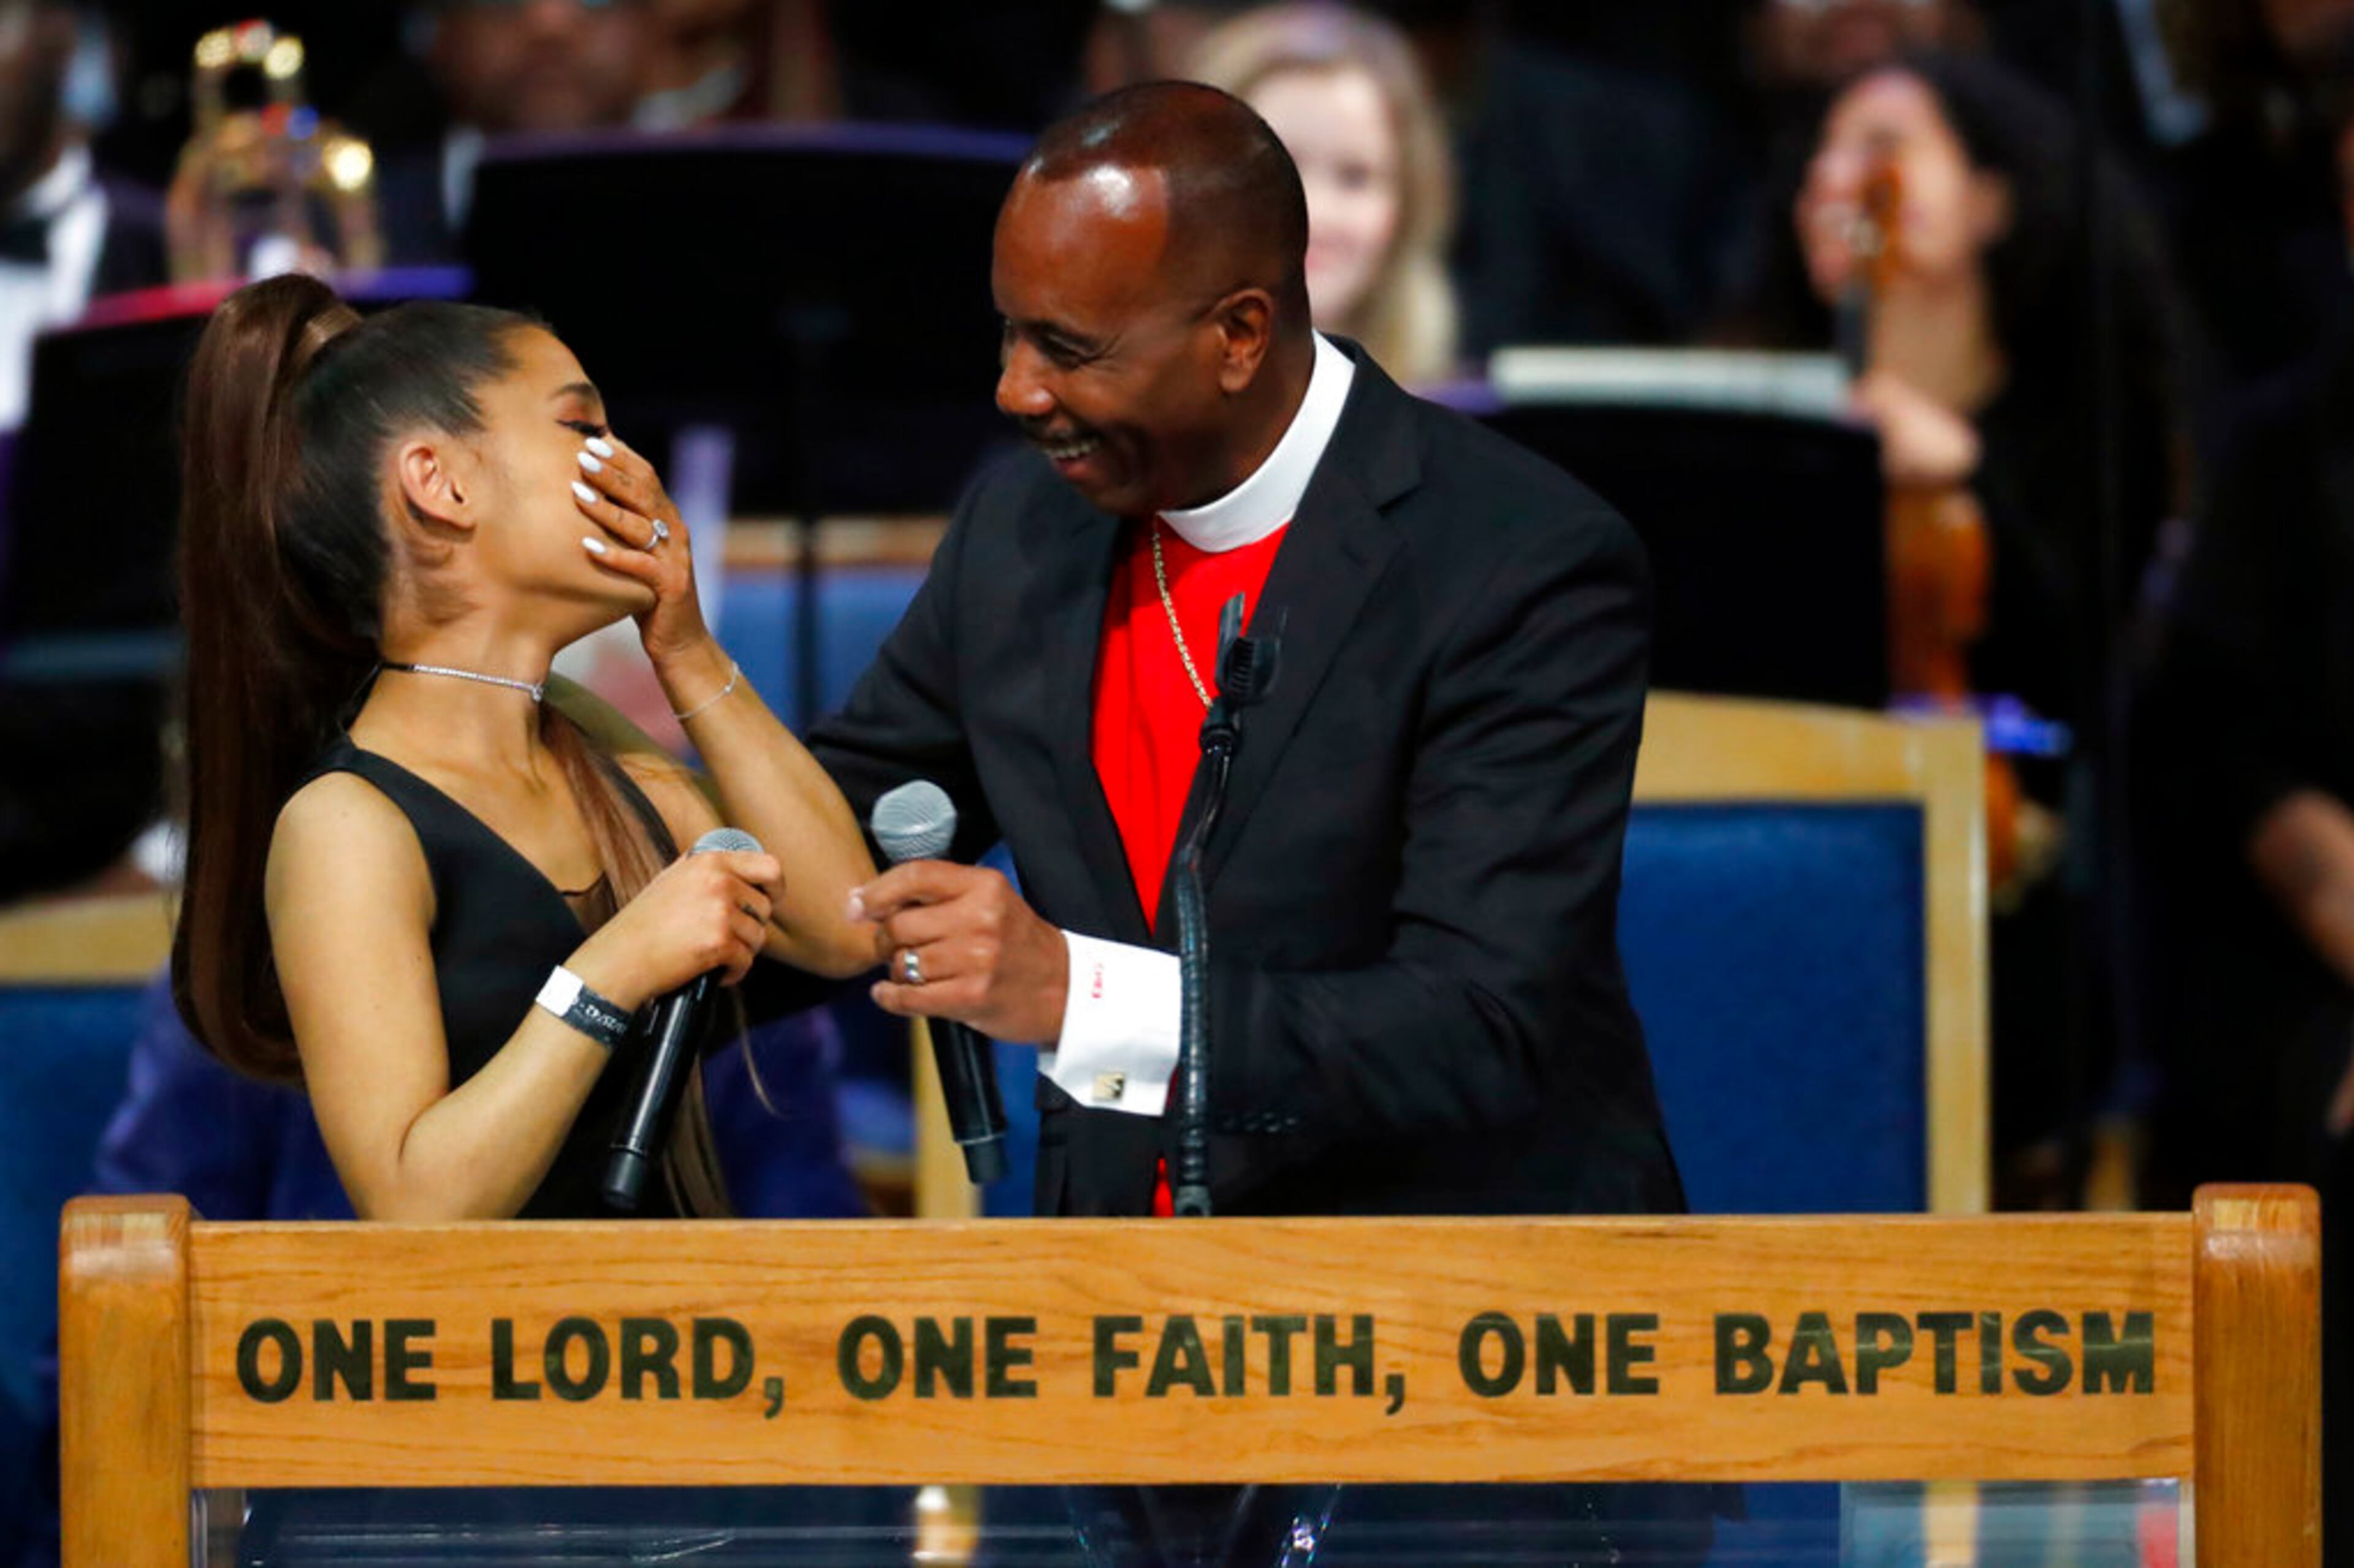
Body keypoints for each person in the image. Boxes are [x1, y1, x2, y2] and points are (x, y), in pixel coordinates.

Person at [809, 80, 1697, 1560]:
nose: (1013, 392)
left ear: (1237, 334)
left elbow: (1477, 1021)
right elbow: (853, 827)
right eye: (1007, 332)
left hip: (1460, 1394)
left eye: (1067, 348)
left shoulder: (1520, 560)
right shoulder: (1022, 527)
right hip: (1122, 1371)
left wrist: (1070, 989)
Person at [170, 272, 875, 1221]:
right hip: (498, 1359)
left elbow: (844, 923)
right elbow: (415, 1203)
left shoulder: (590, 740)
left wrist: (685, 646)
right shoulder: (348, 823)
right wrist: (614, 968)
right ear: (441, 483)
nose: (625, 465)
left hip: (675, 1340)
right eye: (582, 429)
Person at [1729, 51, 2192, 1203]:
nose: (1841, 178)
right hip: (1778, 847)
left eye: (1884, 145)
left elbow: (2095, 669)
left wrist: (1964, 472)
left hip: (2021, 872)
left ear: (1992, 197)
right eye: (1821, 157)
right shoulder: (1749, 408)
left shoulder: (2086, 416)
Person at [1187, 2, 1459, 386]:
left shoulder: (1450, 429)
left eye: (1355, 177)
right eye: (1278, 166)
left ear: (1408, 208)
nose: (1314, 212)